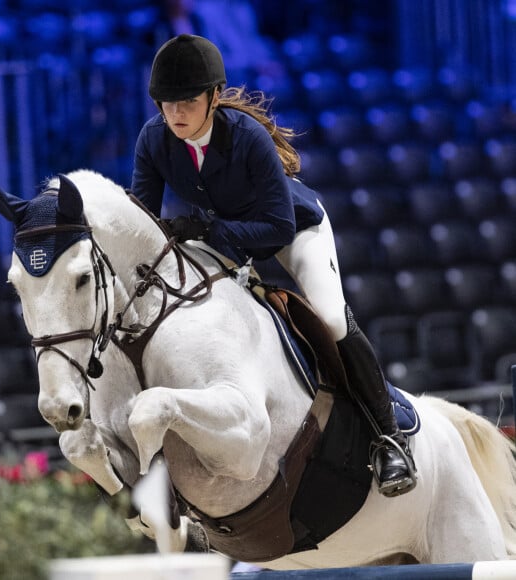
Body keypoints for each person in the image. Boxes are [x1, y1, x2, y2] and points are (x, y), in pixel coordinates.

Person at [130, 33, 416, 497]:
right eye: (166, 103)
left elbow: (276, 228)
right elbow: (142, 219)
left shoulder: (248, 138)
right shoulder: (154, 139)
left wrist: (206, 231)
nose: (175, 114)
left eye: (186, 101)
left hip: (291, 228)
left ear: (214, 97)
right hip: (225, 234)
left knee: (329, 319)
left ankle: (388, 437)